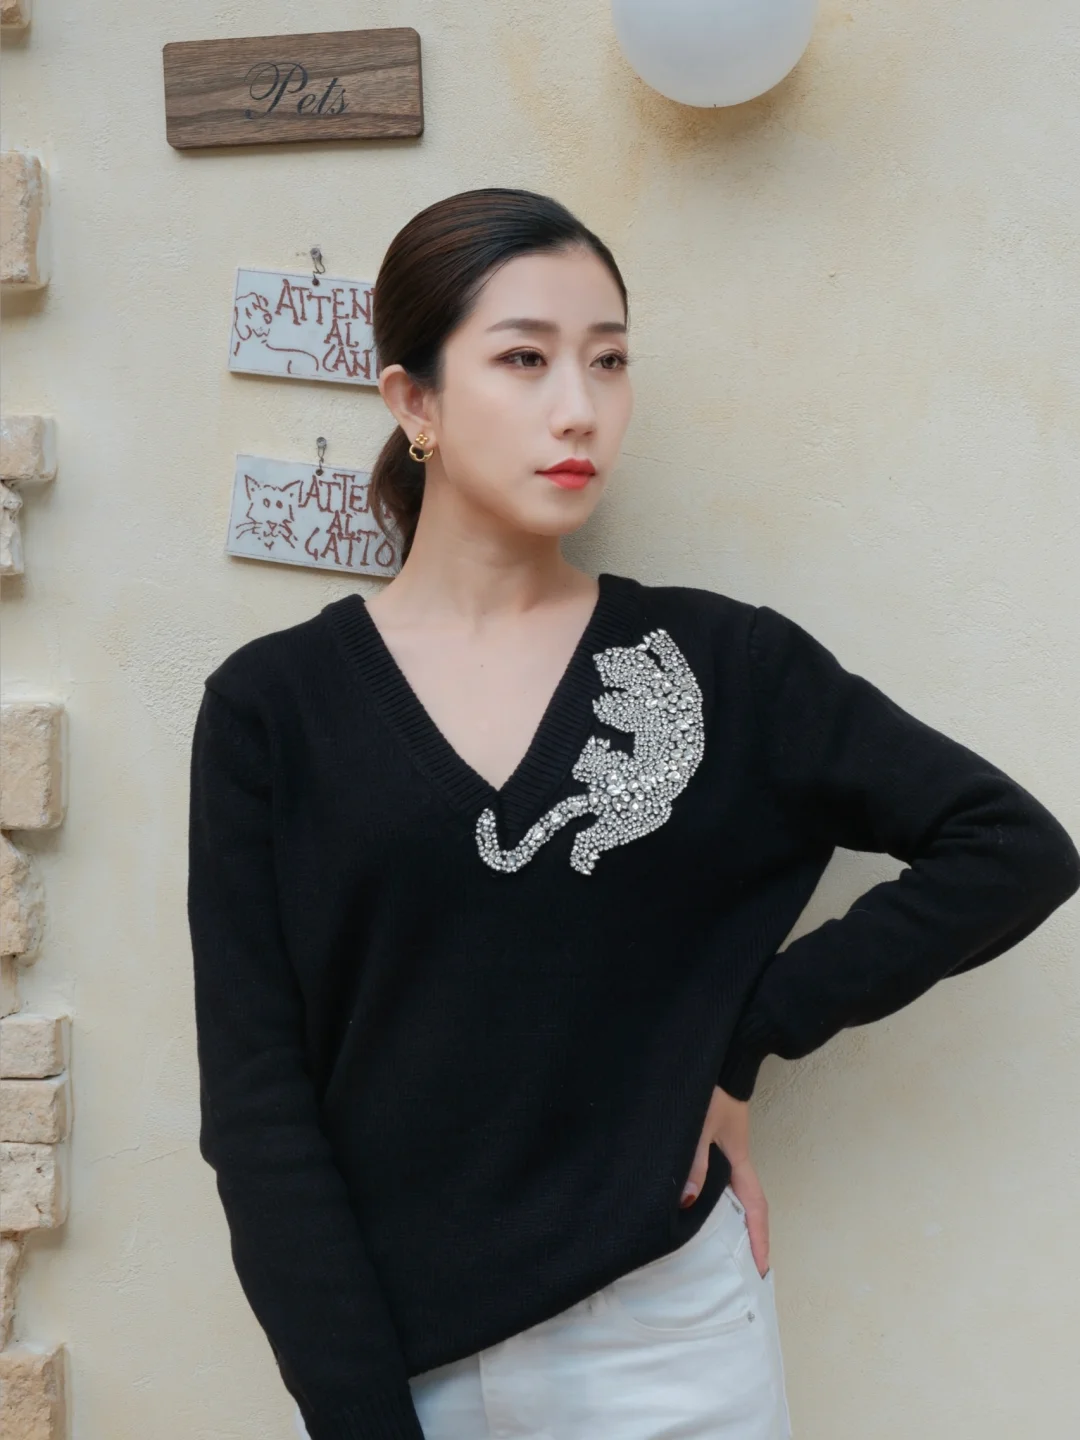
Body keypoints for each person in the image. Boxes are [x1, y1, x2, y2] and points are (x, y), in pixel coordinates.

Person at [186, 187, 1080, 1440]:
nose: (580, 408)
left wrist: (744, 1036)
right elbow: (258, 1109)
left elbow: (1010, 848)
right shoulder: (272, 710)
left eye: (609, 360)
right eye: (525, 359)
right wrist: (360, 1413)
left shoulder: (723, 664)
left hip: (672, 1345)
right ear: (413, 402)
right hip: (403, 1360)